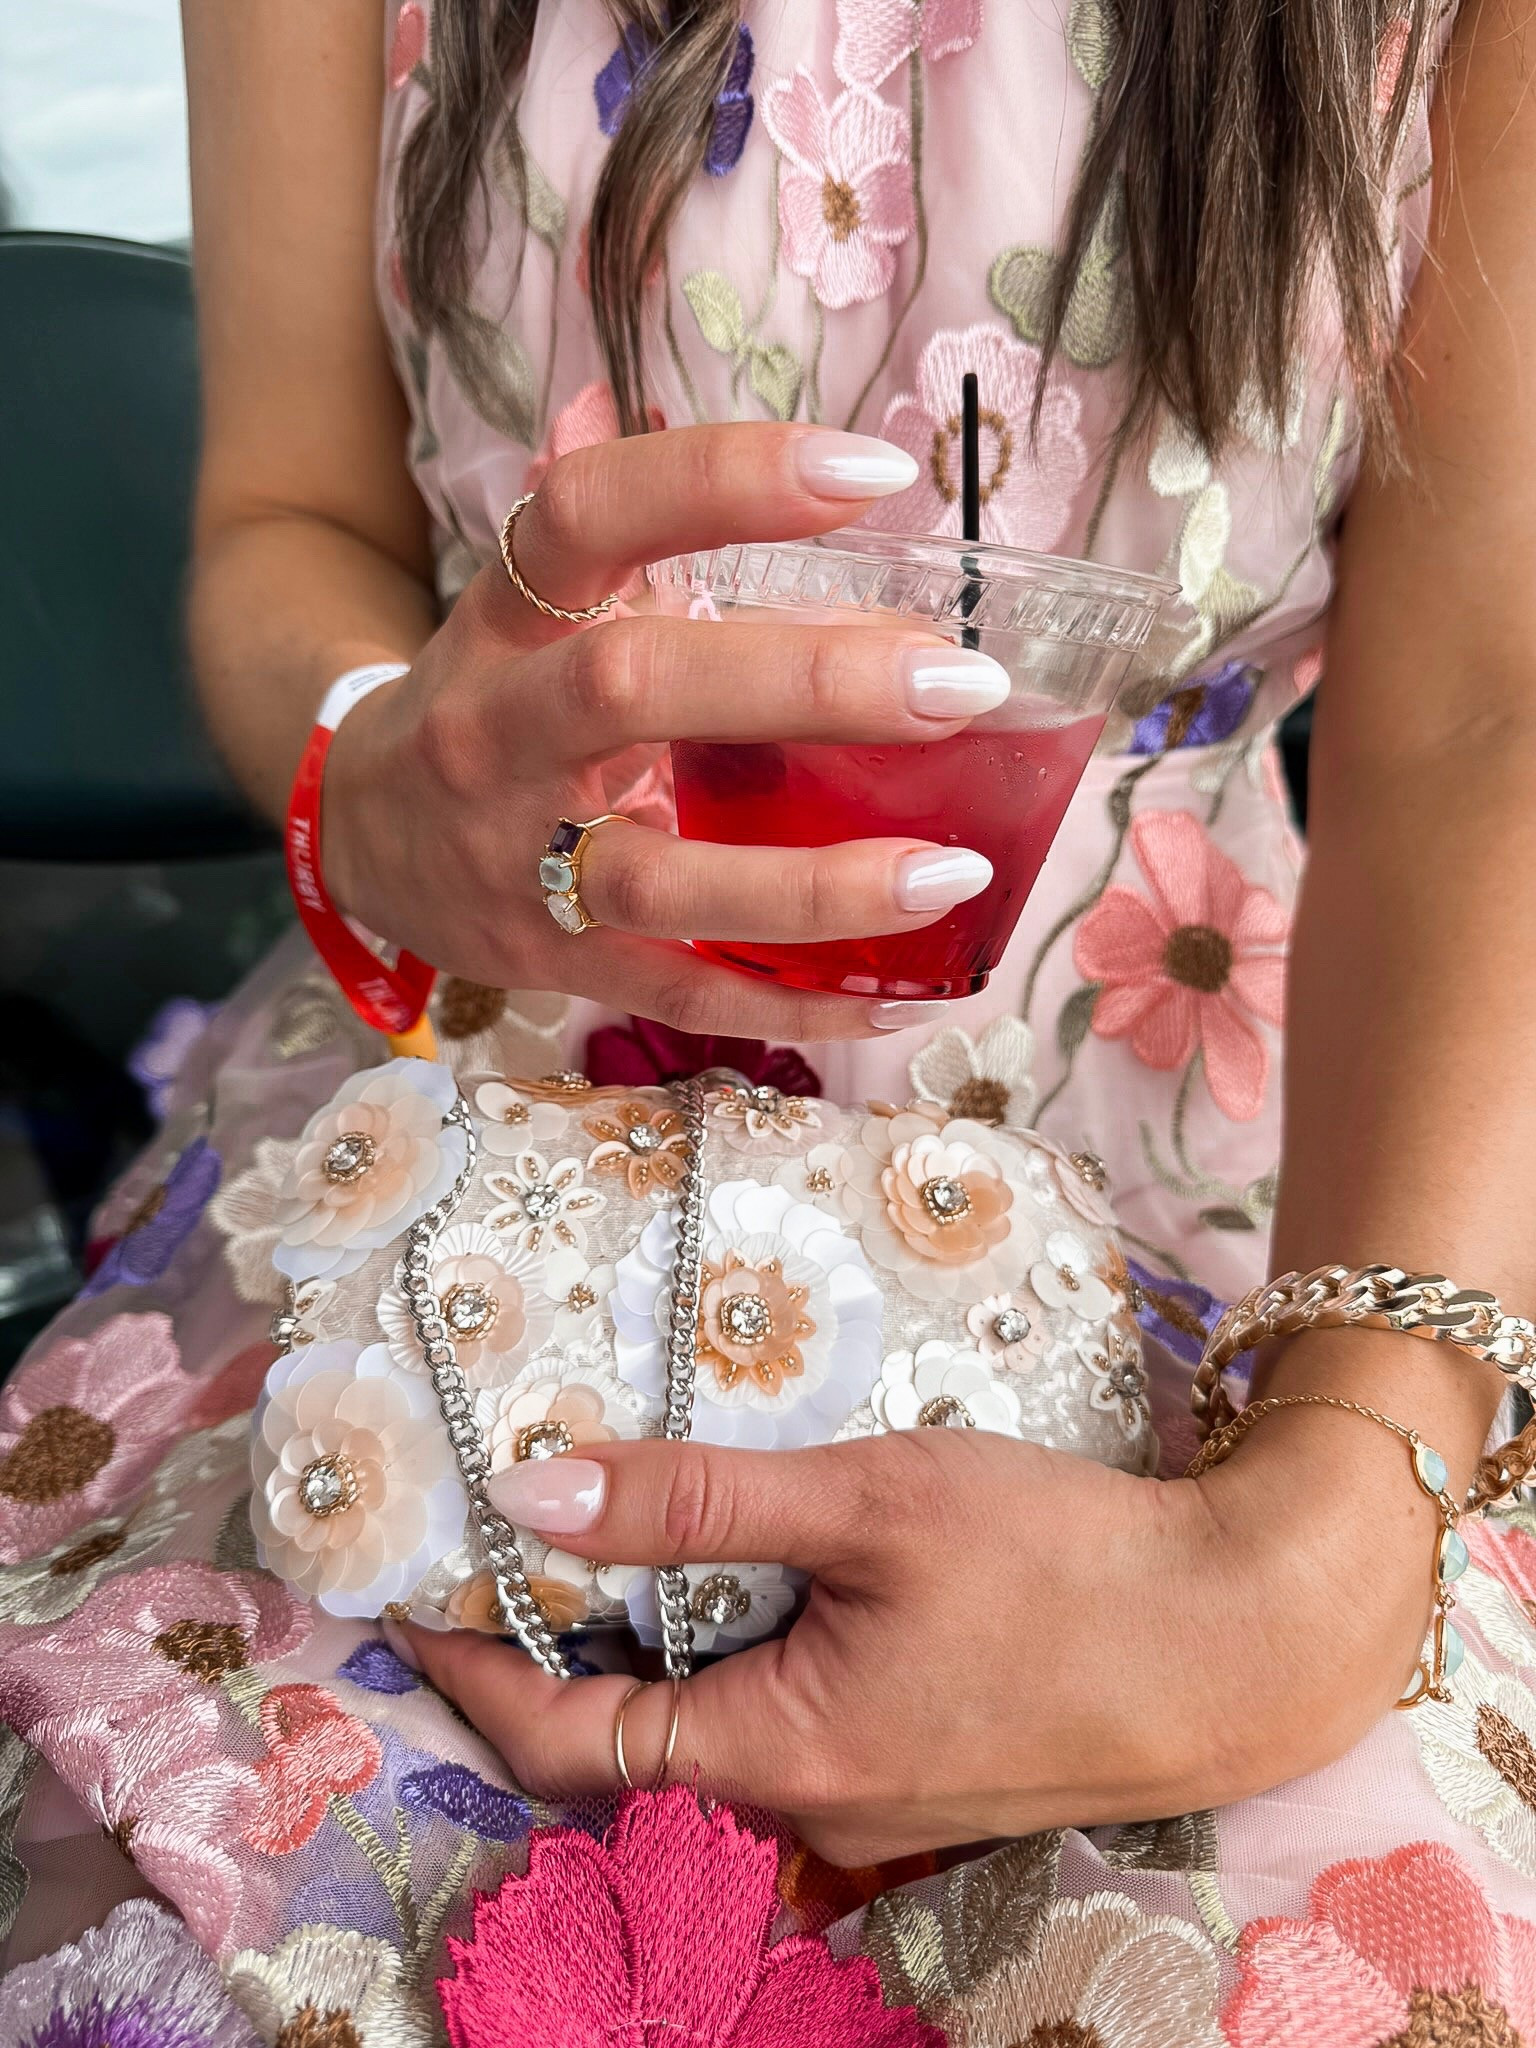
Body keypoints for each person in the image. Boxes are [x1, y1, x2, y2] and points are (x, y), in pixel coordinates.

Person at [3, 0, 1536, 2037]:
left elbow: (1483, 700)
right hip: (466, 1100)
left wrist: (1328, 1540)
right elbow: (288, 515)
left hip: (1224, 1135)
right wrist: (371, 767)